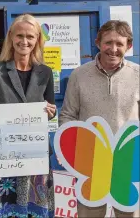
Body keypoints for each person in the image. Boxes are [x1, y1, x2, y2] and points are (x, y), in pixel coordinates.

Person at [0, 14, 57, 218]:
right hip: (2, 154)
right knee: (2, 210)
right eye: (19, 35)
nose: (24, 41)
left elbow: (50, 111)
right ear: (11, 38)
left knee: (34, 211)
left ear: (37, 39)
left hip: (35, 154)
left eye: (30, 36)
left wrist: (50, 112)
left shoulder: (45, 73)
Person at [59, 20, 139, 217]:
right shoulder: (79, 75)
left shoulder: (138, 74)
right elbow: (68, 114)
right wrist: (68, 149)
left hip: (127, 160)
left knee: (129, 214)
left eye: (120, 44)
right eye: (108, 43)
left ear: (128, 46)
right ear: (97, 43)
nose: (113, 49)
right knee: (90, 213)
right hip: (90, 162)